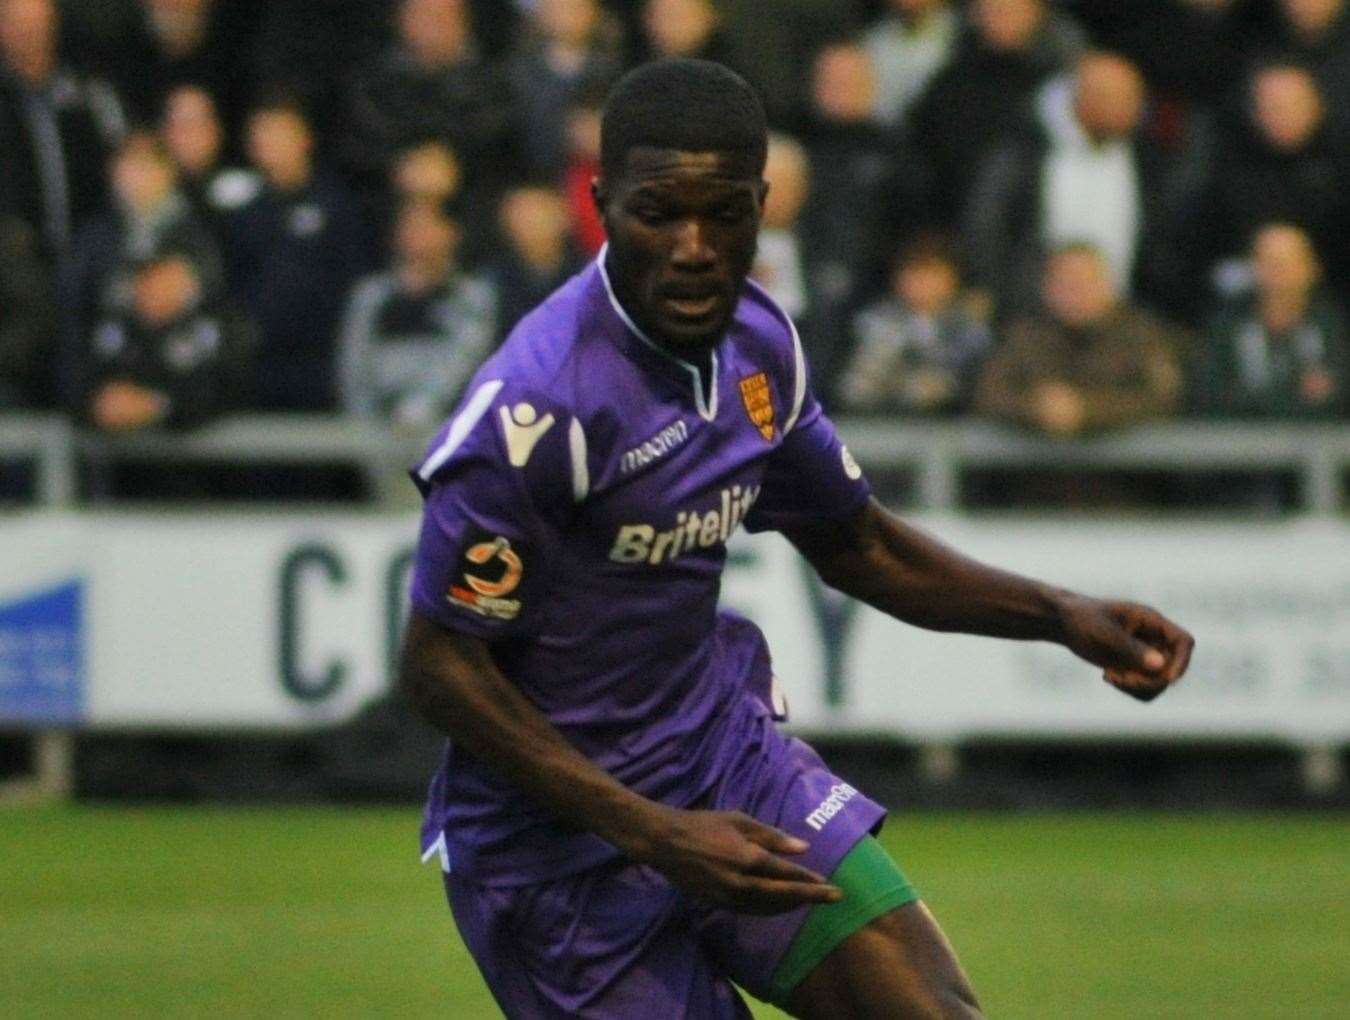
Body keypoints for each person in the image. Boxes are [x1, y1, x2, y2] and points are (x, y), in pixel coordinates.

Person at [400, 60, 1194, 1019]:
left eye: (725, 214)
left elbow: (858, 543)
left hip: (721, 762)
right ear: (603, 204)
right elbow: (441, 666)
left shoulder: (759, 343)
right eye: (660, 214)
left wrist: (1057, 614)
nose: (695, 248)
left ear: (765, 204)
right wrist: (652, 834)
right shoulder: (538, 405)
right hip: (556, 857)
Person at [974, 242, 1185, 437]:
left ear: (1107, 286)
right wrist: (1036, 407)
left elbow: (1163, 396)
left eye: (1084, 281)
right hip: (1033, 472)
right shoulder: (1024, 336)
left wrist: (1087, 409)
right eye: (1065, 282)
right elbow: (988, 393)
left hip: (1125, 473)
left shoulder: (1142, 335)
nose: (1075, 291)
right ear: (1046, 288)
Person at [338, 200, 497, 429]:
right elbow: (353, 361)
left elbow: (464, 357)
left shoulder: (471, 295)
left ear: (451, 234)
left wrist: (422, 406)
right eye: (410, 227)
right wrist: (363, 417)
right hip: (376, 423)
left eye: (428, 227)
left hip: (446, 424)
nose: (419, 236)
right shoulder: (372, 295)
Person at [1194, 222, 1348, 419]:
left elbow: (1338, 392)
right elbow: (1210, 394)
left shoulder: (1330, 327)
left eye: (1287, 263)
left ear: (1311, 268)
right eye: (1269, 262)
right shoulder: (1226, 327)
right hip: (1240, 442)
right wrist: (1294, 394)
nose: (1278, 273)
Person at [839, 234, 993, 415]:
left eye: (930, 273)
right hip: (887, 425)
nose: (920, 283)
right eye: (911, 273)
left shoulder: (970, 328)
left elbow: (973, 382)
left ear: (952, 277)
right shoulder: (876, 322)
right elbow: (856, 388)